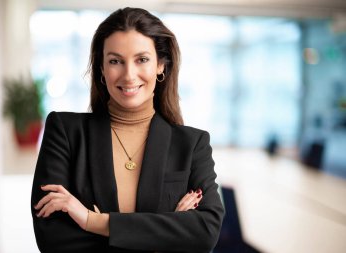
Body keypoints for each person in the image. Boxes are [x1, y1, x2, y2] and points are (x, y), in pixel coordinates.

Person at [31, 7, 224, 253]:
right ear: (101, 68)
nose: (129, 75)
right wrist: (168, 230)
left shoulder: (192, 144)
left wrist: (93, 221)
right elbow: (54, 240)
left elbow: (206, 232)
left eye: (141, 59)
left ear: (161, 65)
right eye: (115, 61)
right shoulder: (66, 132)